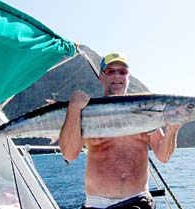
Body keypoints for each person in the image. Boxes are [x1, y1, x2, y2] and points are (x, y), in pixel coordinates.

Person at [59, 52, 182, 209]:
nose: (117, 76)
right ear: (101, 77)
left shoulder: (147, 111)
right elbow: (69, 154)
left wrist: (172, 129)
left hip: (139, 201)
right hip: (98, 205)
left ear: (128, 77)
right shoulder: (86, 111)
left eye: (122, 72)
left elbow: (163, 156)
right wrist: (74, 109)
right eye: (111, 71)